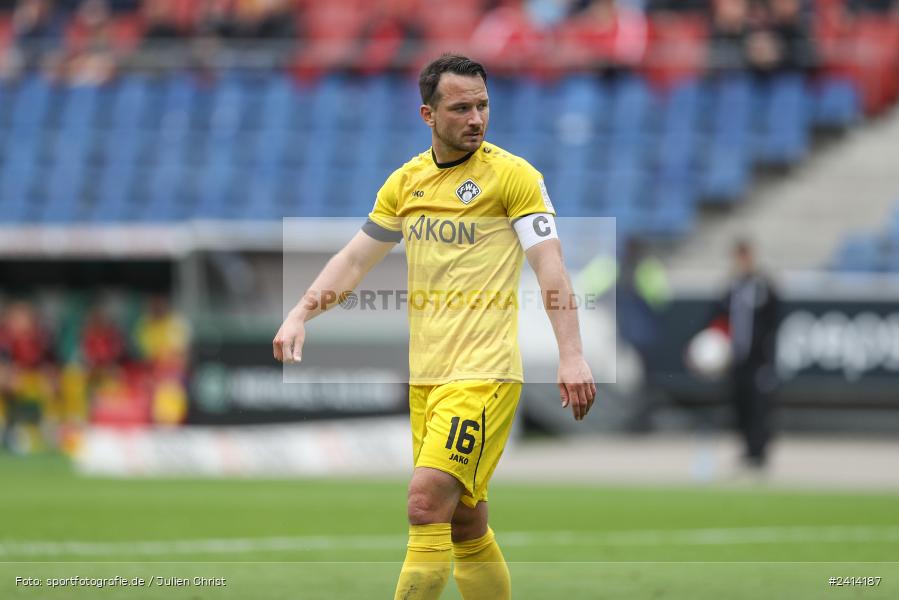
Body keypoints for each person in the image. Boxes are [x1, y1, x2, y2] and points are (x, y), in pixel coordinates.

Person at [273, 54, 596, 600]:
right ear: (429, 113)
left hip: (484, 376)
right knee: (466, 524)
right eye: (461, 107)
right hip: (427, 379)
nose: (476, 118)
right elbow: (355, 260)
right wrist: (301, 310)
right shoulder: (406, 182)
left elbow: (550, 266)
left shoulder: (514, 177)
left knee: (424, 503)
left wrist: (571, 353)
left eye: (483, 106)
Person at [713, 239, 781, 470]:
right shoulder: (731, 288)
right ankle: (747, 448)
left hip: (758, 358)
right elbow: (717, 317)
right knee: (739, 404)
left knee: (758, 405)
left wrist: (769, 354)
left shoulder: (763, 287)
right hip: (736, 358)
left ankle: (759, 451)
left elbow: (774, 319)